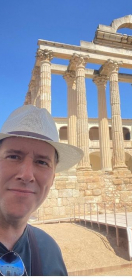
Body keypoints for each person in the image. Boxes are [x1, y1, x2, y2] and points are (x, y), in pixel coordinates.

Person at [0, 105, 84, 275]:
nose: (26, 175)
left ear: (52, 178)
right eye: (13, 156)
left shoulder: (49, 250)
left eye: (42, 162)